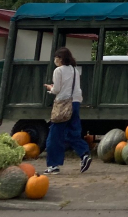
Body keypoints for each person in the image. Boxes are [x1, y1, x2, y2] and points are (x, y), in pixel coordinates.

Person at [42, 47, 92, 175]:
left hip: (63, 104)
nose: (54, 60)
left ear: (60, 59)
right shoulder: (75, 70)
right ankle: (84, 153)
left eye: (56, 57)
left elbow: (57, 89)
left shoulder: (58, 70)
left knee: (54, 135)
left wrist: (50, 88)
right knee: (72, 133)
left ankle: (53, 165)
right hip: (75, 103)